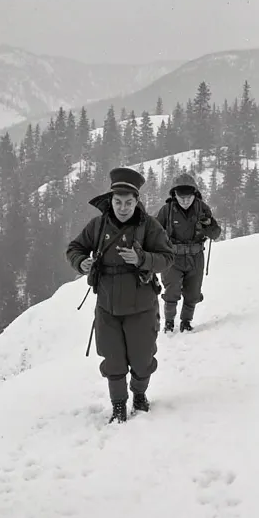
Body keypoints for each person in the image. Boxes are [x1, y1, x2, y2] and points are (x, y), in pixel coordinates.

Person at [66, 167, 174, 422]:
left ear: (137, 201)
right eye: (117, 202)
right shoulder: (98, 225)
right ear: (111, 201)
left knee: (142, 359)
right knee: (112, 360)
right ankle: (118, 404)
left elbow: (167, 258)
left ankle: (138, 394)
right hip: (107, 306)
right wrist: (80, 262)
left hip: (142, 305)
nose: (122, 207)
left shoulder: (149, 226)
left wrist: (142, 258)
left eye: (128, 202)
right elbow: (75, 248)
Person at [155, 173, 222, 333]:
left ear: (194, 194)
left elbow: (215, 233)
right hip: (173, 258)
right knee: (171, 292)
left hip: (196, 257)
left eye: (188, 197)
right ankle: (169, 322)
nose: (185, 200)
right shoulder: (167, 210)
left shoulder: (202, 208)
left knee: (193, 293)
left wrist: (209, 224)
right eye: (181, 197)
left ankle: (186, 321)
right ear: (175, 195)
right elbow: (154, 232)